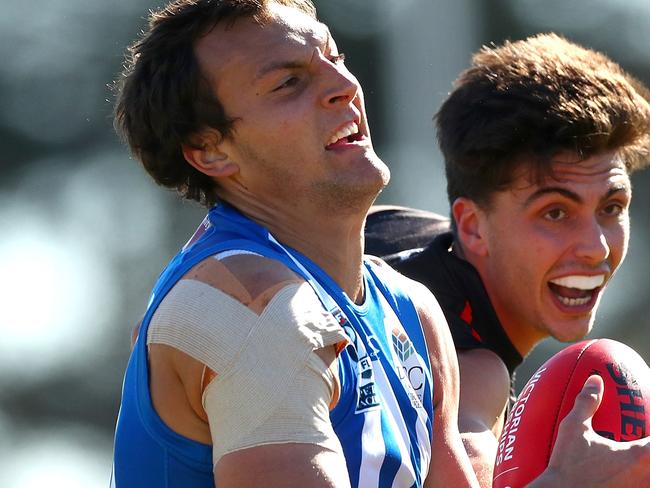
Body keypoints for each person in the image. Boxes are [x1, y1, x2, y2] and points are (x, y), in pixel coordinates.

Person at [110, 1, 478, 486]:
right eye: (289, 82)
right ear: (210, 150)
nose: (345, 86)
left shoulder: (411, 308)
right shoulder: (250, 307)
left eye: (336, 57)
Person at [364, 33, 650, 486]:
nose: (596, 246)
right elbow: (469, 442)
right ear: (473, 226)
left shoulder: (385, 226)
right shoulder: (475, 372)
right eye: (555, 212)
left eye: (612, 208)